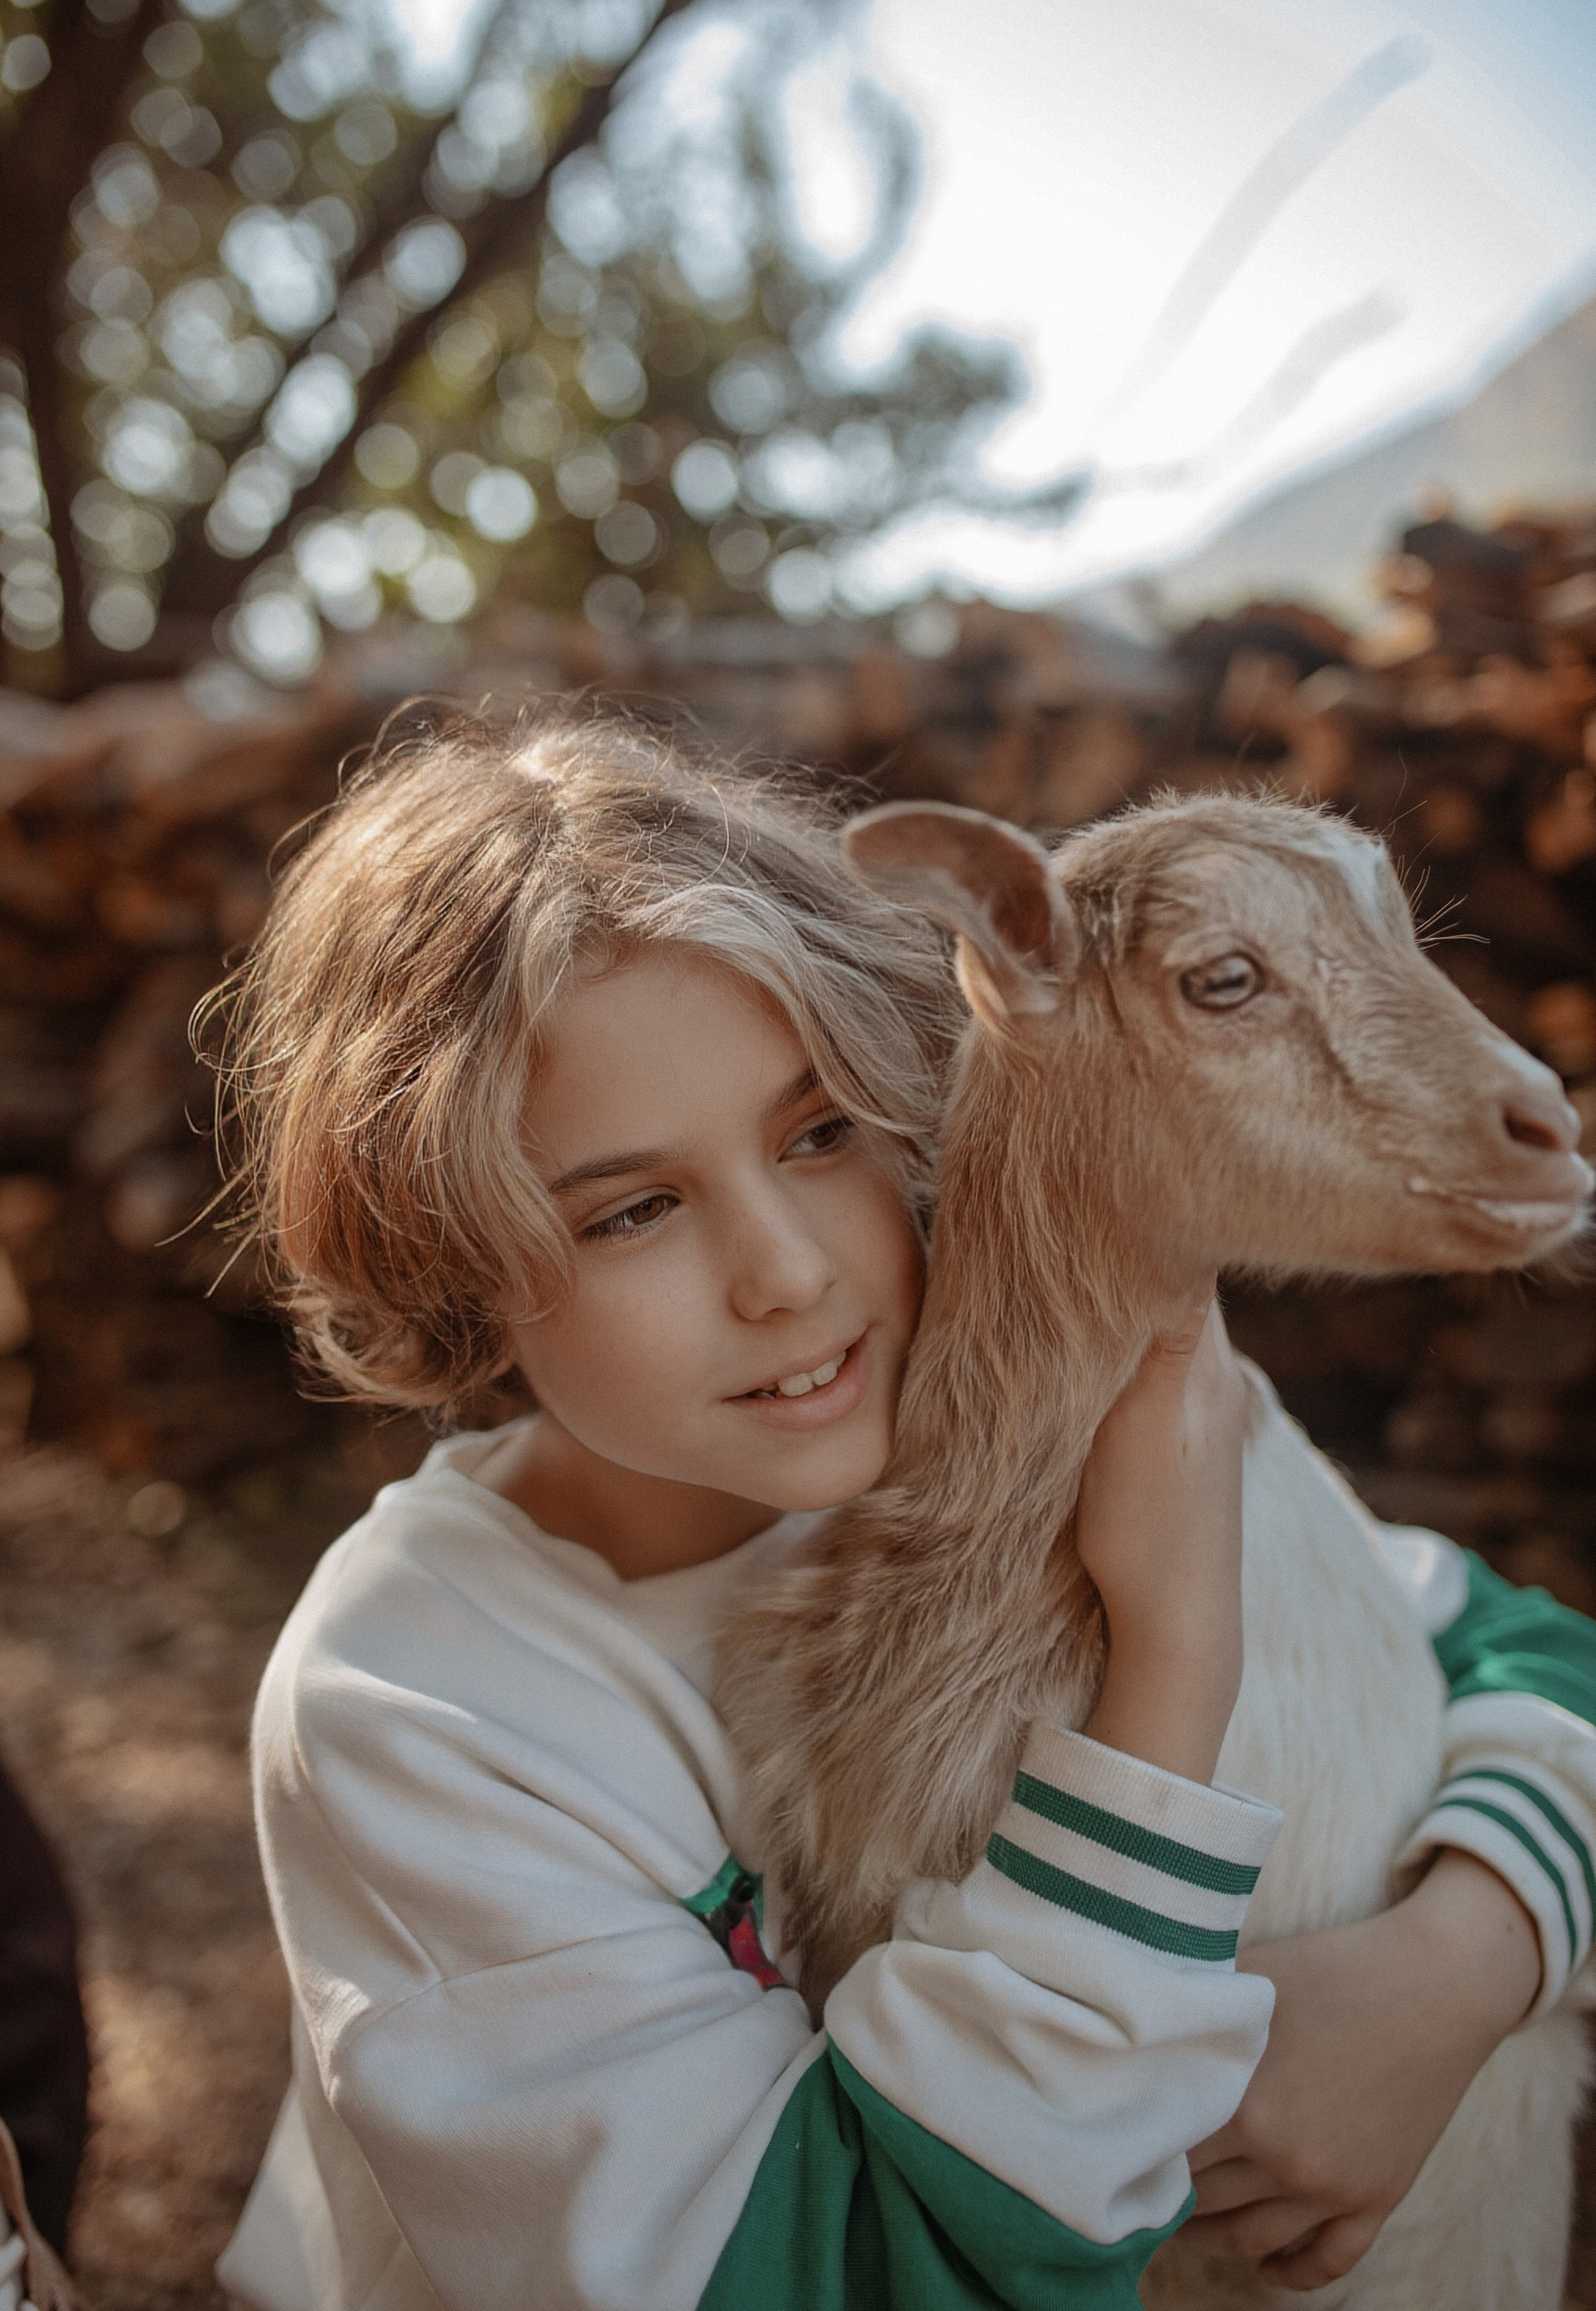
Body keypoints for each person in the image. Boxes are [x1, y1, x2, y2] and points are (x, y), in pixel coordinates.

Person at [212, 705, 1595, 2311]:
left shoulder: (1068, 1411)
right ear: (444, 1250)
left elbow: (1515, 1649)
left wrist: (1457, 1969)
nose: (787, 1275)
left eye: (821, 1134)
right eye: (634, 1209)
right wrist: (1169, 1657)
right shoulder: (421, 1702)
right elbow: (806, 2275)